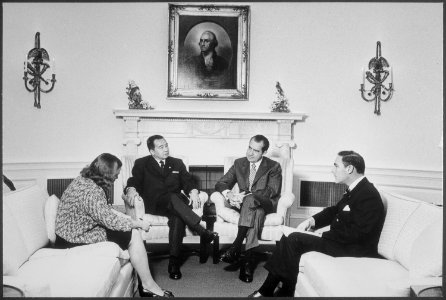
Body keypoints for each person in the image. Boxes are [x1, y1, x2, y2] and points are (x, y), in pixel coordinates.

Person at [248, 151, 385, 297]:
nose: (332, 170)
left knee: (294, 239)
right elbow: (334, 211)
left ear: (349, 169)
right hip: (343, 243)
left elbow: (359, 234)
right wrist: (311, 221)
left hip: (353, 249)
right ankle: (283, 290)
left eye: (336, 166)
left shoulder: (367, 194)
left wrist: (322, 235)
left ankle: (268, 291)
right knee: (287, 237)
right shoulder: (357, 189)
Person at [54, 153, 173, 297]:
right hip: (74, 239)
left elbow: (102, 211)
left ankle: (145, 284)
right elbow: (110, 220)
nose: (117, 177)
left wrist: (129, 220)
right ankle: (148, 285)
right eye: (115, 174)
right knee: (134, 232)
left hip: (72, 232)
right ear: (106, 173)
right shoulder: (92, 191)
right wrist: (138, 223)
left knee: (130, 229)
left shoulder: (84, 180)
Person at [124, 135, 218, 280]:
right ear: (152, 151)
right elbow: (133, 180)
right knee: (173, 198)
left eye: (166, 145)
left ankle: (173, 264)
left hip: (175, 205)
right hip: (155, 204)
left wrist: (193, 192)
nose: (166, 149)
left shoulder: (177, 163)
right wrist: (131, 189)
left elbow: (188, 181)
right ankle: (201, 230)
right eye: (161, 147)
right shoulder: (142, 163)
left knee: (177, 217)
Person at [211, 135, 282, 283]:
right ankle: (248, 261)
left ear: (264, 152)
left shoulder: (273, 166)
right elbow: (221, 183)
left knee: (253, 203)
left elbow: (271, 191)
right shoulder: (239, 163)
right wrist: (229, 194)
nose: (250, 153)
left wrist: (246, 196)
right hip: (245, 207)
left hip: (265, 204)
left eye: (255, 150)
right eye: (249, 147)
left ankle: (236, 246)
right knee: (255, 212)